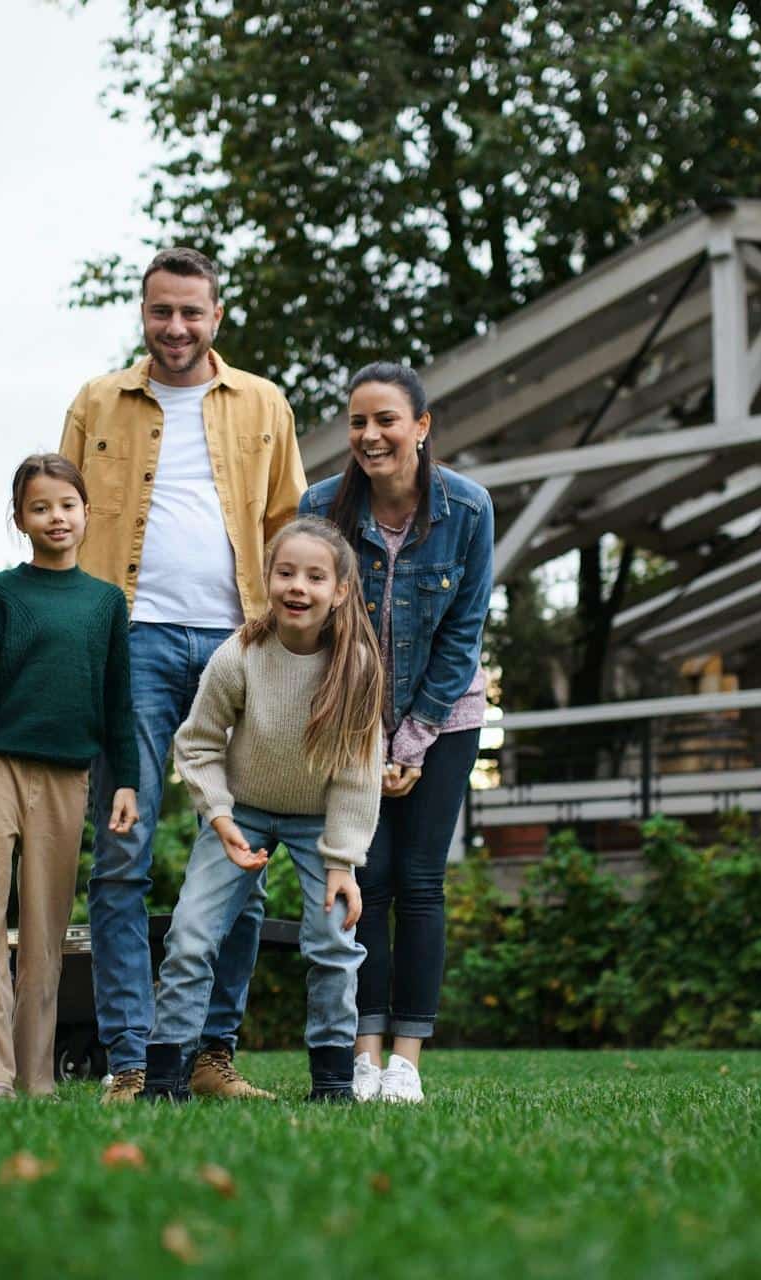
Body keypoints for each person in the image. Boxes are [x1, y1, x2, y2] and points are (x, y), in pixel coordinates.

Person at [59, 246, 306, 1103]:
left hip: (240, 649)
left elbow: (289, 530)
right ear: (143, 312)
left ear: (217, 317)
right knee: (122, 853)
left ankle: (209, 1056)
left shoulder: (264, 404)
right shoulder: (97, 402)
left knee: (241, 854)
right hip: (130, 644)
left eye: (191, 313)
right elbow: (62, 526)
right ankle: (131, 1059)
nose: (175, 329)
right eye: (161, 312)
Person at [300, 362, 495, 1104]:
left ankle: (406, 1061)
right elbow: (316, 629)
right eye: (358, 422)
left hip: (445, 720)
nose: (371, 435)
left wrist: (411, 740)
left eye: (386, 420)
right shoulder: (323, 507)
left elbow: (464, 632)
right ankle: (364, 1055)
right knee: (362, 879)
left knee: (418, 881)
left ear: (421, 426)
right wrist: (369, 743)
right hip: (351, 725)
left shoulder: (468, 509)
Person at [140, 517, 383, 1102]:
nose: (298, 586)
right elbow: (197, 741)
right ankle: (166, 1078)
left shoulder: (357, 670)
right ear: (267, 579)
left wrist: (343, 864)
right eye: (286, 572)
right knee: (191, 935)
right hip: (242, 813)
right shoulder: (241, 653)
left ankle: (332, 1082)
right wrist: (219, 819)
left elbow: (357, 776)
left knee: (332, 943)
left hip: (316, 822)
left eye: (315, 576)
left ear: (340, 591)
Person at [0, 454, 139, 1099]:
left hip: (69, 779)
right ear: (20, 519)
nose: (56, 517)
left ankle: (34, 1079)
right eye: (40, 507)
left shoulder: (105, 604)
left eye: (66, 505)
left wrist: (125, 780)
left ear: (85, 513)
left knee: (46, 936)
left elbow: (117, 703)